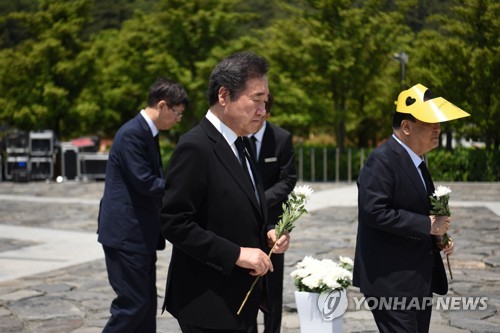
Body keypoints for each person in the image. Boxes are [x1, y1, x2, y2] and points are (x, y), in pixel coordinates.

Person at [159, 51, 291, 333]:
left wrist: (269, 229)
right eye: (256, 100)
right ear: (224, 96)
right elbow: (174, 222)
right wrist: (235, 254)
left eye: (265, 102)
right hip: (208, 302)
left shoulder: (240, 142)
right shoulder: (196, 146)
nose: (263, 111)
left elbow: (246, 202)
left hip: (240, 299)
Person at [353, 83, 470, 332]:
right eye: (431, 123)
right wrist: (427, 225)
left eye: (439, 122)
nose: (438, 128)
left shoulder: (416, 160)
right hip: (391, 281)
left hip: (415, 279)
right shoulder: (382, 159)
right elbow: (374, 211)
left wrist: (438, 237)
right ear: (407, 126)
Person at [97, 78, 189, 333]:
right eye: (177, 113)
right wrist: (182, 187)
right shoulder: (132, 133)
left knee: (146, 305)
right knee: (132, 304)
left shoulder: (147, 132)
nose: (178, 120)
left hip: (140, 235)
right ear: (162, 105)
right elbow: (145, 182)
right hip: (126, 234)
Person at [248, 93, 297, 333]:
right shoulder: (238, 136)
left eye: (262, 109)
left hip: (274, 221)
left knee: (273, 286)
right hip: (243, 221)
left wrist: (259, 200)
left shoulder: (281, 138)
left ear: (268, 112)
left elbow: (288, 179)